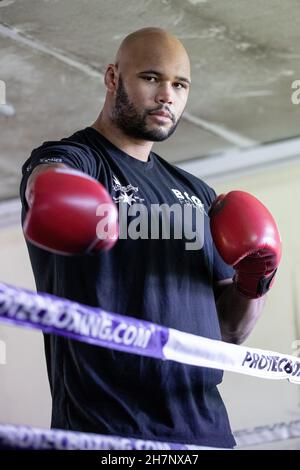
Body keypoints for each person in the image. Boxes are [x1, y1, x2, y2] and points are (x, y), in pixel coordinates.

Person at [19, 27, 281, 448]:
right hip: (107, 433)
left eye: (179, 85)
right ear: (112, 78)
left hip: (207, 433)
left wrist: (255, 282)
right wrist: (55, 192)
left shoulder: (199, 195)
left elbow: (229, 334)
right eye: (151, 78)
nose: (167, 96)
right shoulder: (77, 161)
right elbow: (47, 181)